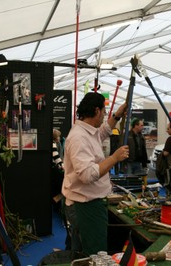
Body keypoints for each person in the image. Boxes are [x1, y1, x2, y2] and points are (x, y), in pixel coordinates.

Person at [62, 92, 128, 255]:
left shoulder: (88, 131)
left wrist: (117, 115)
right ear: (97, 111)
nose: (105, 116)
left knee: (83, 251)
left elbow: (103, 131)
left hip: (87, 202)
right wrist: (114, 158)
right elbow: (87, 175)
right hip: (85, 205)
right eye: (104, 112)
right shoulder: (79, 137)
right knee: (94, 253)